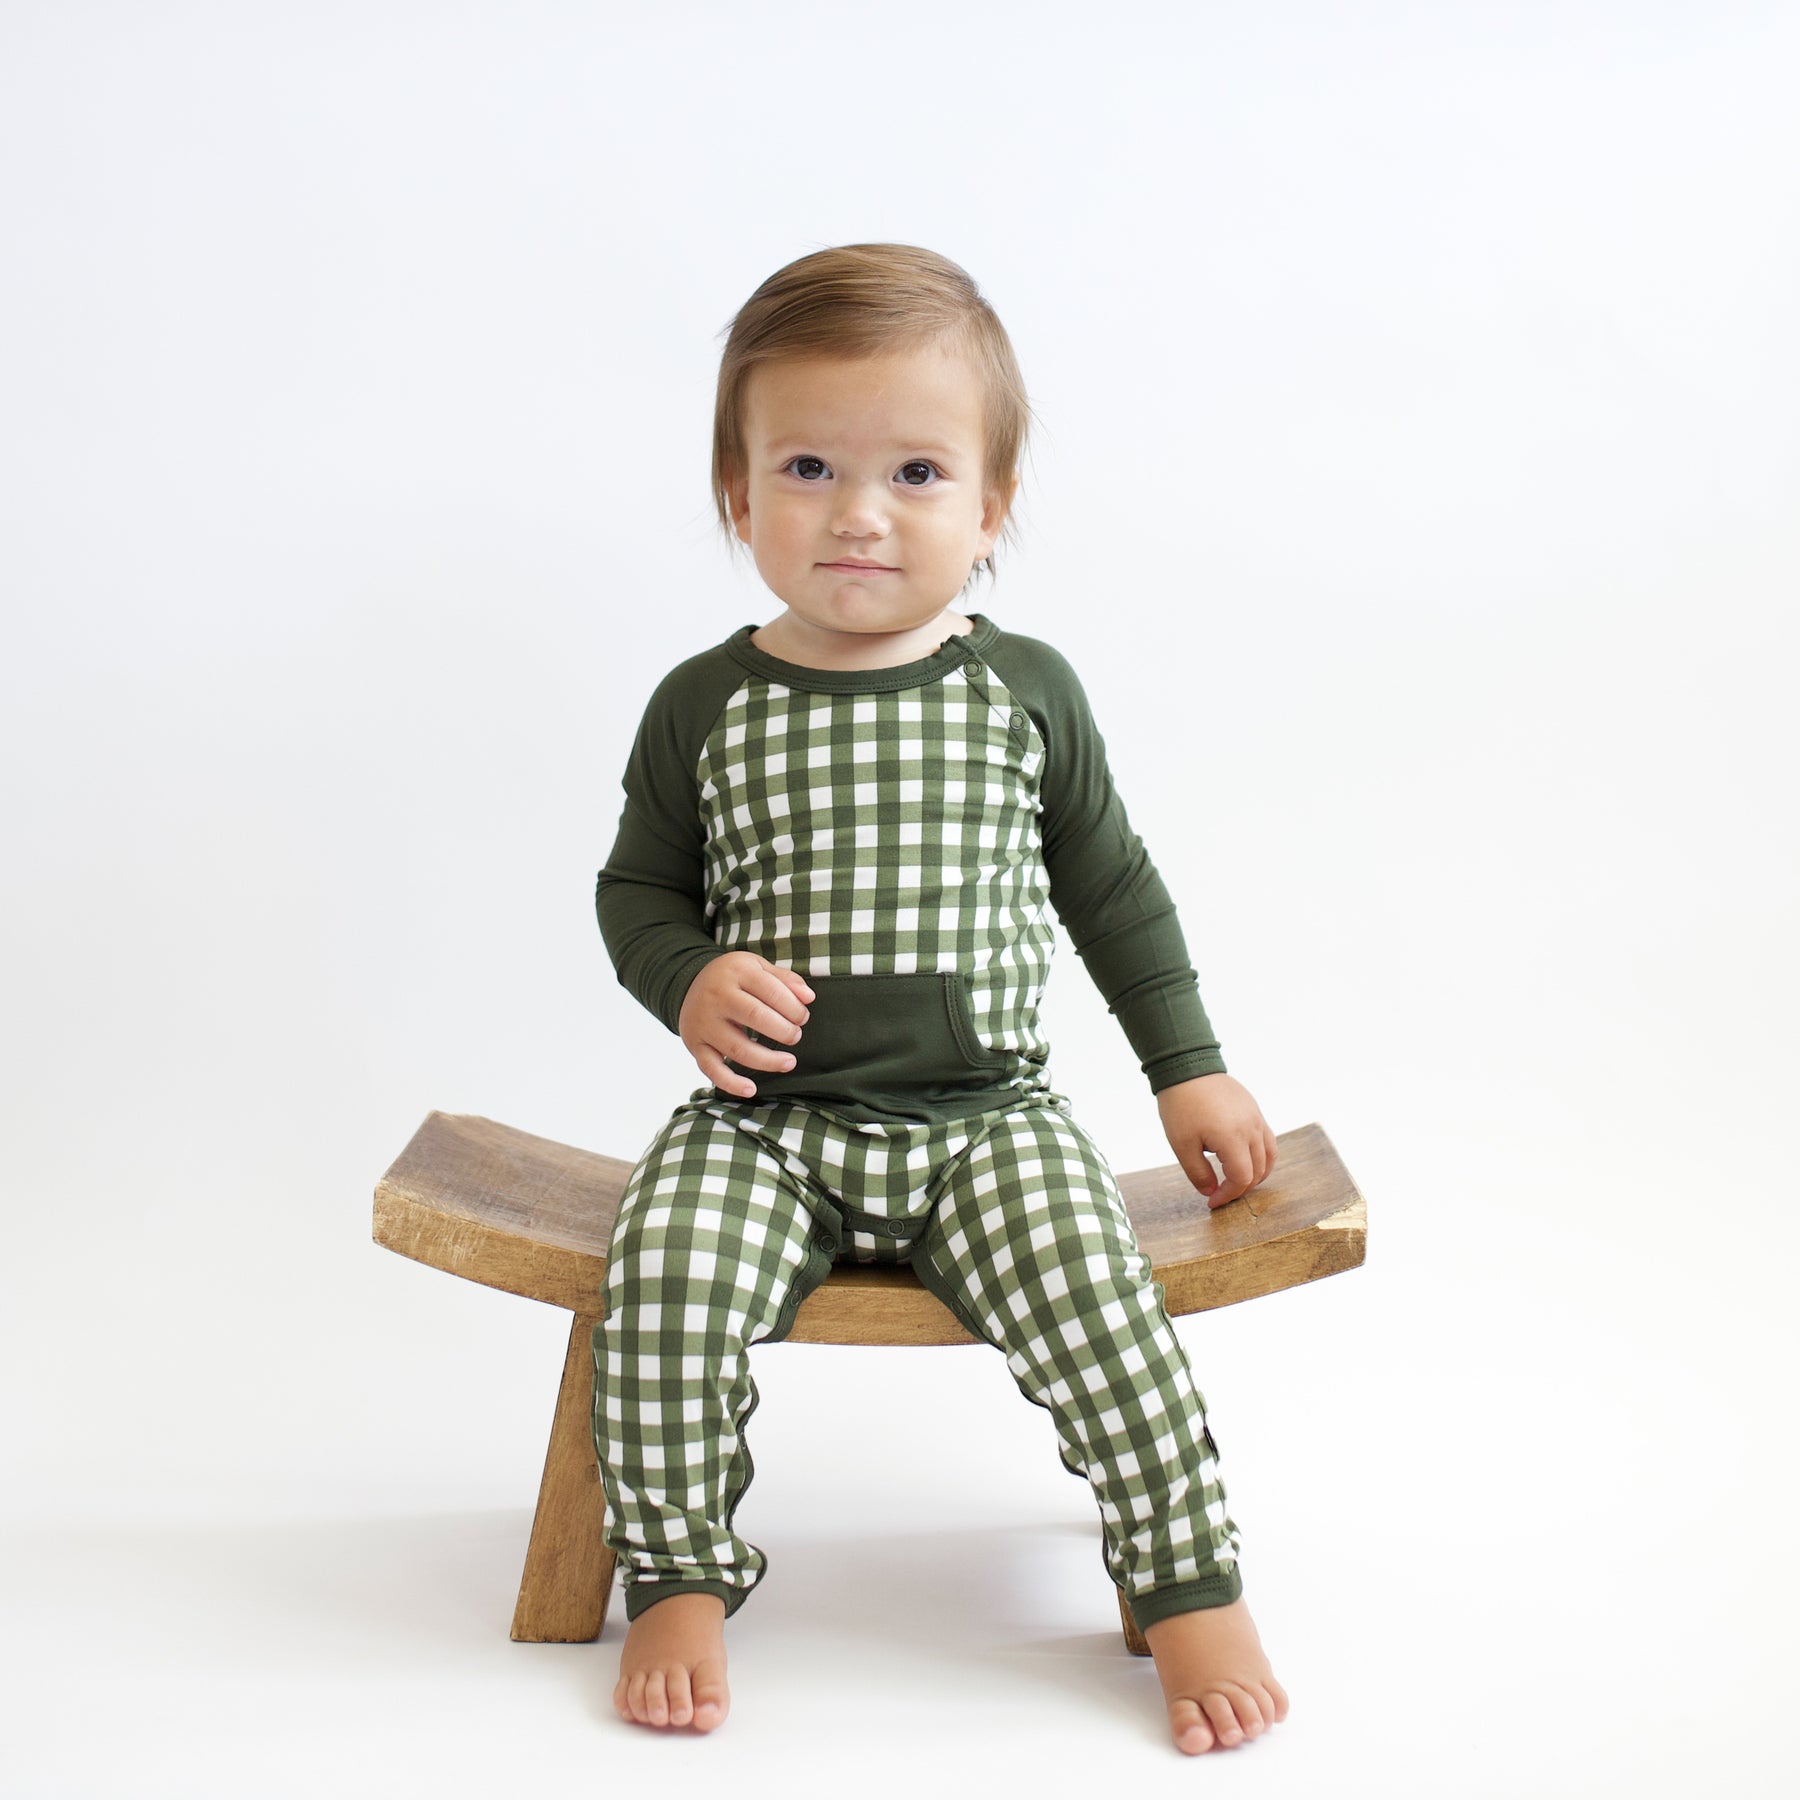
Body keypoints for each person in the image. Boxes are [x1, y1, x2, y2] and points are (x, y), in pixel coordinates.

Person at [591, 243, 1289, 1756]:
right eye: (809, 467)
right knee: (660, 1285)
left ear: (992, 505)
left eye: (916, 471)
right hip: (766, 1127)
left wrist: (1189, 1068)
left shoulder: (1020, 689)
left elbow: (1114, 892)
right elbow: (636, 892)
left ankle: (1186, 1576)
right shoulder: (706, 704)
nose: (861, 512)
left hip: (986, 1122)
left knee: (1103, 1304)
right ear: (736, 495)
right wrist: (688, 976)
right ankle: (678, 1574)